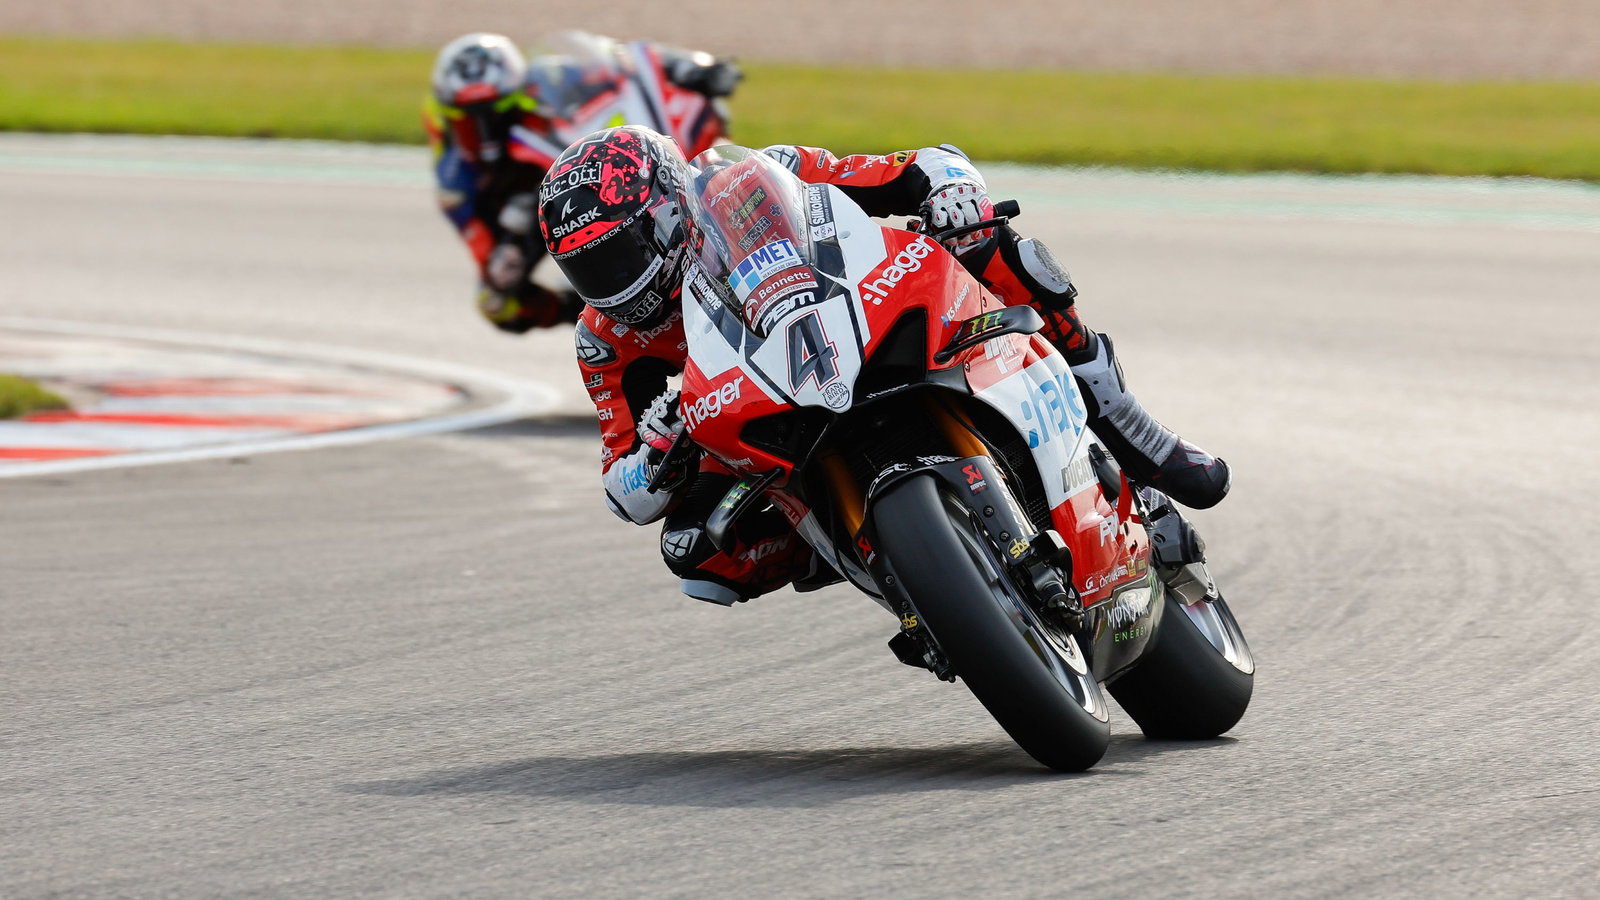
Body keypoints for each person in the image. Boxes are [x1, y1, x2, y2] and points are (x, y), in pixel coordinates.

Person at [539, 126, 1230, 606]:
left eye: (618, 255)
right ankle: (852, 551)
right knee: (693, 550)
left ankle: (1122, 418)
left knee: (993, 244)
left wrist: (948, 191)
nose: (608, 283)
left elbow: (916, 166)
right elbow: (621, 487)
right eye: (584, 268)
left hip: (855, 320)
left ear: (665, 211)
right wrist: (659, 444)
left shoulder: (748, 179)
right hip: (754, 418)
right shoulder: (605, 339)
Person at [425, 32, 742, 333]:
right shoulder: (456, 181)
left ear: (518, 97)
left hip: (585, 178)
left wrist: (689, 66)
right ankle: (588, 315)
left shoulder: (546, 81)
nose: (486, 134)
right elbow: (484, 252)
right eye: (471, 121)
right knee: (496, 303)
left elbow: (627, 58)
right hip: (539, 217)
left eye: (496, 116)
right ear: (446, 117)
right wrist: (504, 262)